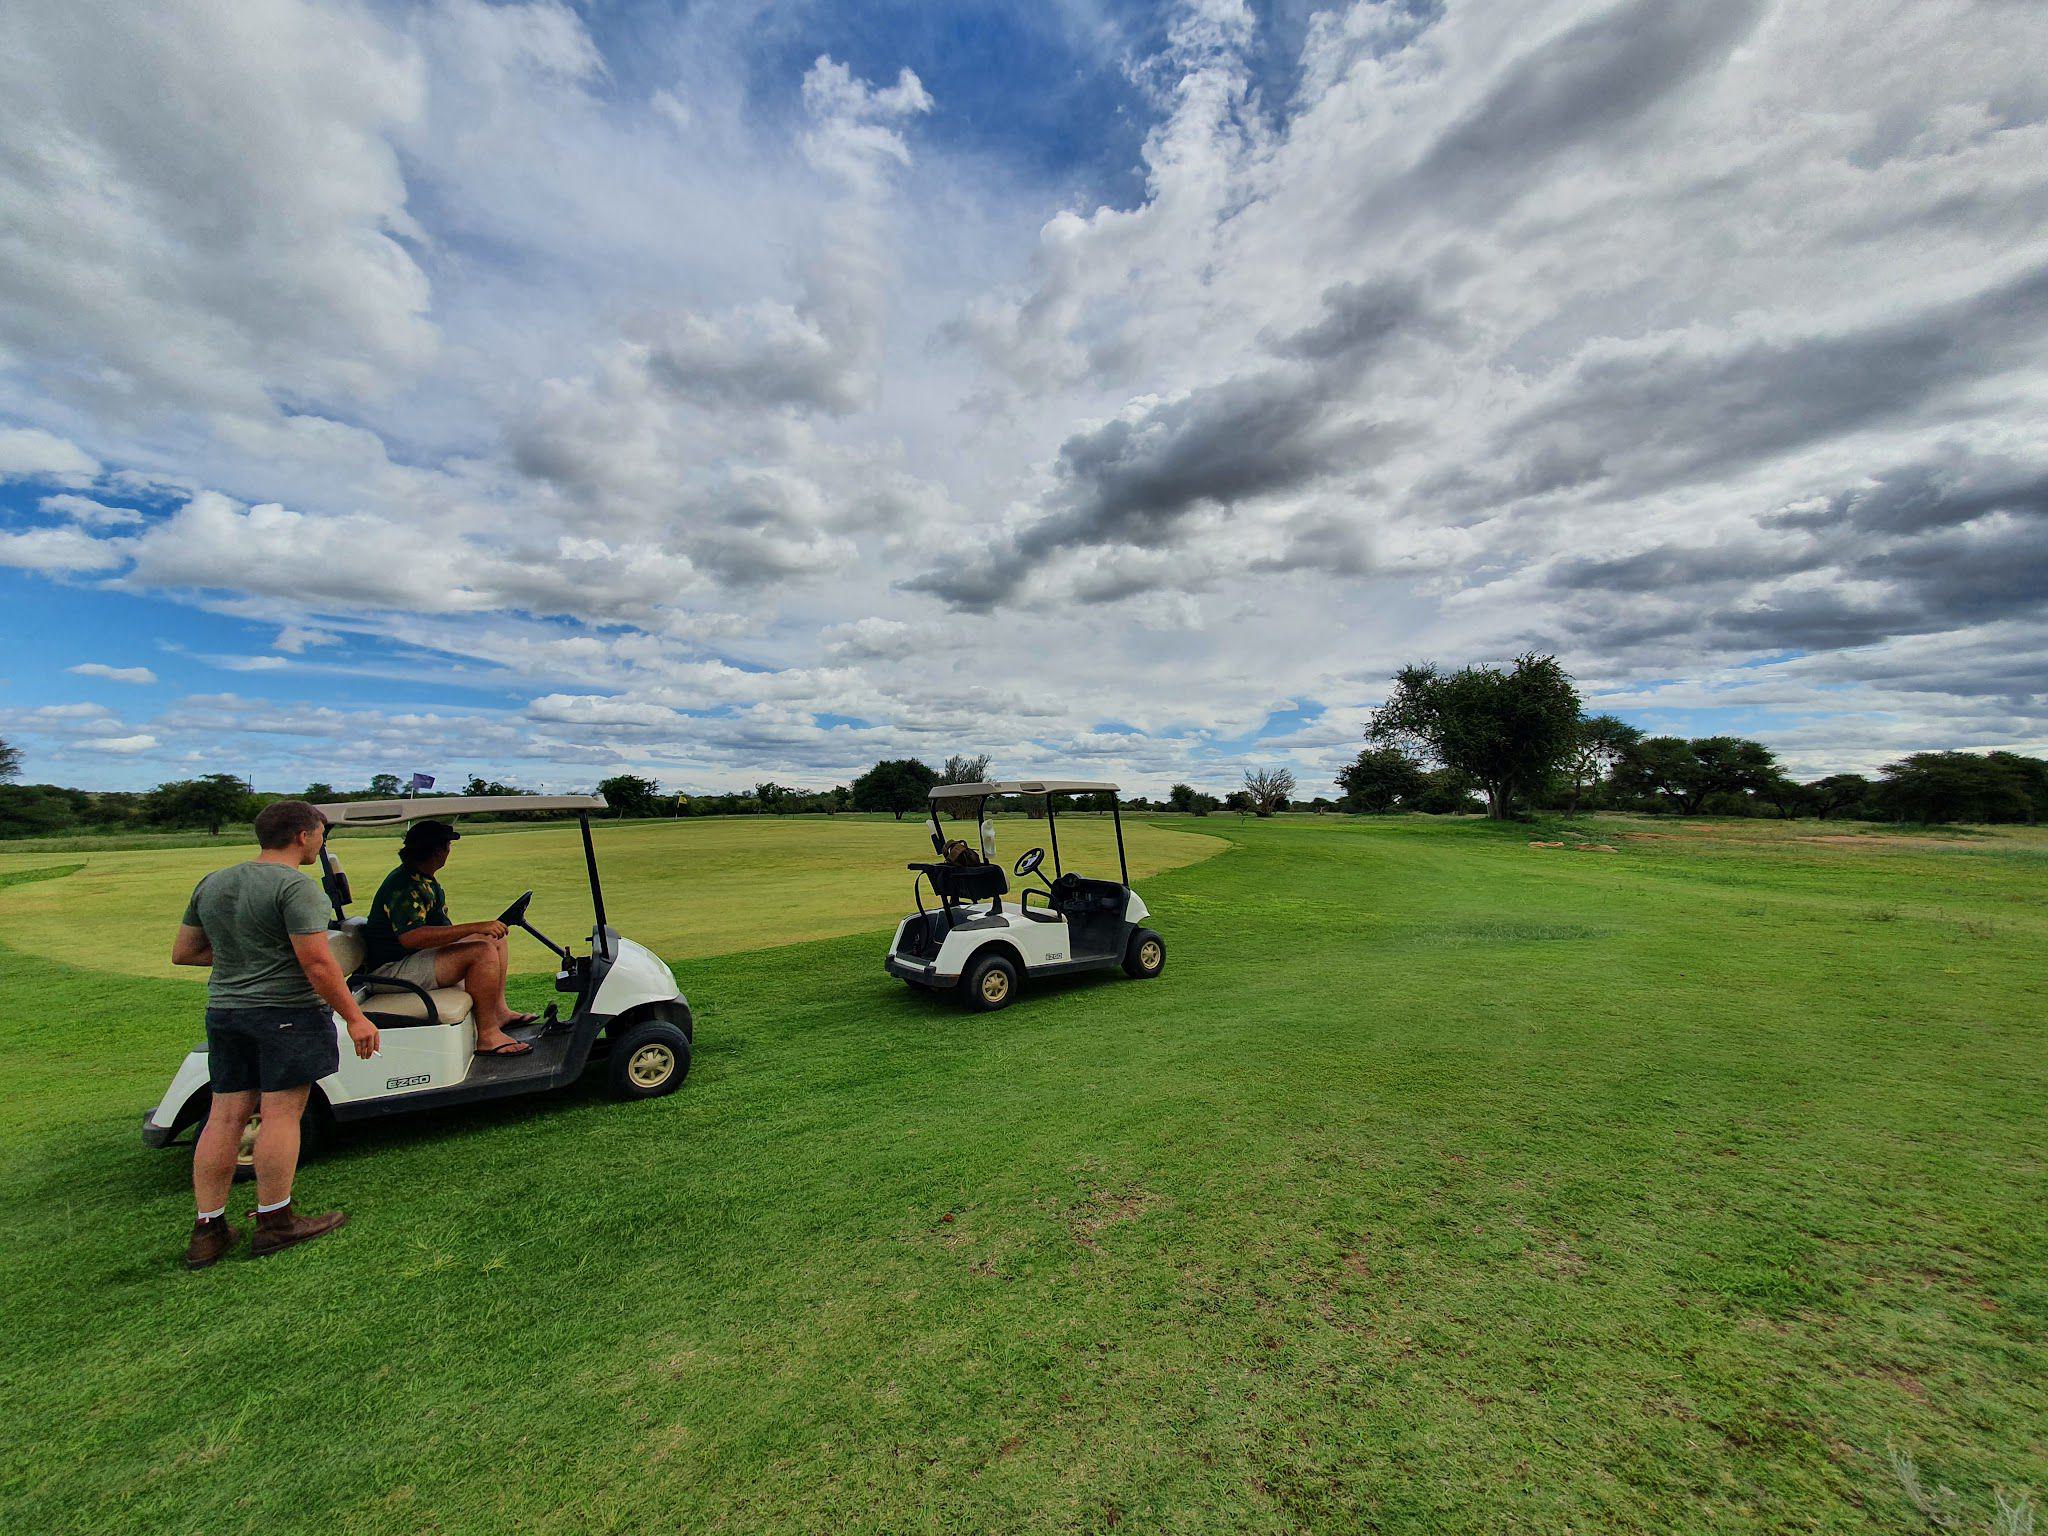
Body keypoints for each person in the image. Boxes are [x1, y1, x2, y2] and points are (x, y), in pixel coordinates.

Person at [173, 800, 380, 1268]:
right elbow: (317, 962)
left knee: (225, 1116)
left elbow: (185, 952)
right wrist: (355, 1017)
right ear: (303, 836)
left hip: (225, 1012)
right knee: (281, 1114)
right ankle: (276, 1221)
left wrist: (245, 957)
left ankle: (209, 1228)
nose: (321, 842)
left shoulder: (213, 882)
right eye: (320, 834)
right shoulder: (297, 888)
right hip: (285, 1013)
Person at [361, 819, 535, 1057]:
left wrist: (480, 930)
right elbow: (412, 938)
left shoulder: (422, 879)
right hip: (389, 971)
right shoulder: (404, 886)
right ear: (436, 851)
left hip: (411, 959)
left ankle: (499, 1012)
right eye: (447, 846)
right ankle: (488, 1036)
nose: (448, 852)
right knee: (481, 952)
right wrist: (473, 927)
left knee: (493, 939)